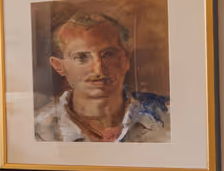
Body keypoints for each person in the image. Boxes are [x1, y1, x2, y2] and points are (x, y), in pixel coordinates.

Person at [33, 11, 170, 142]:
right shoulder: (38, 128)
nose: (98, 70)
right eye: (81, 57)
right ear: (59, 66)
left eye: (108, 55)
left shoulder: (168, 115)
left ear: (126, 60)